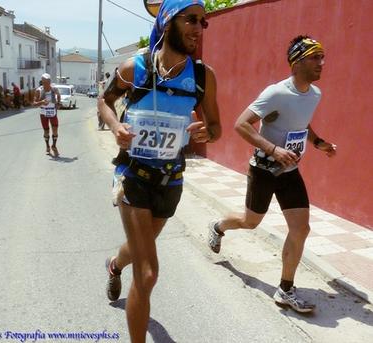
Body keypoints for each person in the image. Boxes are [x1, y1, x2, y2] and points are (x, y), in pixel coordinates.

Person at [98, 1, 221, 341]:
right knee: (148, 272)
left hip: (171, 179)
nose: (199, 28)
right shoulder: (134, 68)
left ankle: (114, 264)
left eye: (203, 22)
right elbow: (105, 101)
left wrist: (205, 132)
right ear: (168, 23)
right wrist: (114, 127)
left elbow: (216, 127)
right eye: (191, 20)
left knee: (142, 246)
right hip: (133, 175)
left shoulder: (201, 77)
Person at [208, 35, 337, 313]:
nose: (321, 63)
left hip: (290, 171)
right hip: (264, 170)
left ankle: (285, 288)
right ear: (297, 61)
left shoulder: (315, 94)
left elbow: (302, 123)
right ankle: (218, 227)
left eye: (322, 57)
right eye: (315, 57)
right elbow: (241, 124)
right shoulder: (275, 93)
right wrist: (273, 149)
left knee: (301, 228)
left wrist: (318, 143)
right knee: (249, 222)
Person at [33, 73, 61, 157]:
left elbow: (58, 96)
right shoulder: (39, 90)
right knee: (46, 131)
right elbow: (34, 104)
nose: (46, 84)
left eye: (47, 82)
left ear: (50, 82)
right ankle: (47, 146)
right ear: (42, 82)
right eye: (44, 82)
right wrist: (41, 102)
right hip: (43, 113)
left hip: (52, 112)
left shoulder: (54, 89)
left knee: (55, 129)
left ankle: (54, 146)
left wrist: (58, 103)